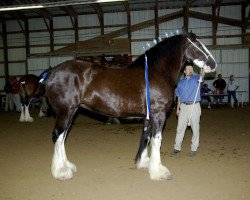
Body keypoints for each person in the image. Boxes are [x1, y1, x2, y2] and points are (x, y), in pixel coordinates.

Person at [172, 62, 203, 157]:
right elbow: (179, 97)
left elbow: (202, 74)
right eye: (188, 69)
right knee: (180, 128)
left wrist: (202, 66)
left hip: (195, 106)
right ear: (184, 71)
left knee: (195, 128)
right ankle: (177, 147)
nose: (190, 70)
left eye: (191, 69)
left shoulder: (197, 79)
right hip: (183, 107)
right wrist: (178, 109)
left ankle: (194, 148)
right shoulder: (180, 82)